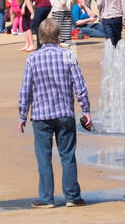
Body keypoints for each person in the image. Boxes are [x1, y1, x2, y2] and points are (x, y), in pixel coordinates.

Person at [18, 18, 90, 208]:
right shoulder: (68, 56)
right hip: (64, 113)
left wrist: (22, 115)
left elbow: (26, 90)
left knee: (44, 158)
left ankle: (46, 198)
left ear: (40, 38)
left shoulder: (32, 58)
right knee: (67, 155)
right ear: (59, 37)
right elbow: (80, 86)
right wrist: (86, 110)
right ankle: (72, 197)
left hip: (41, 116)